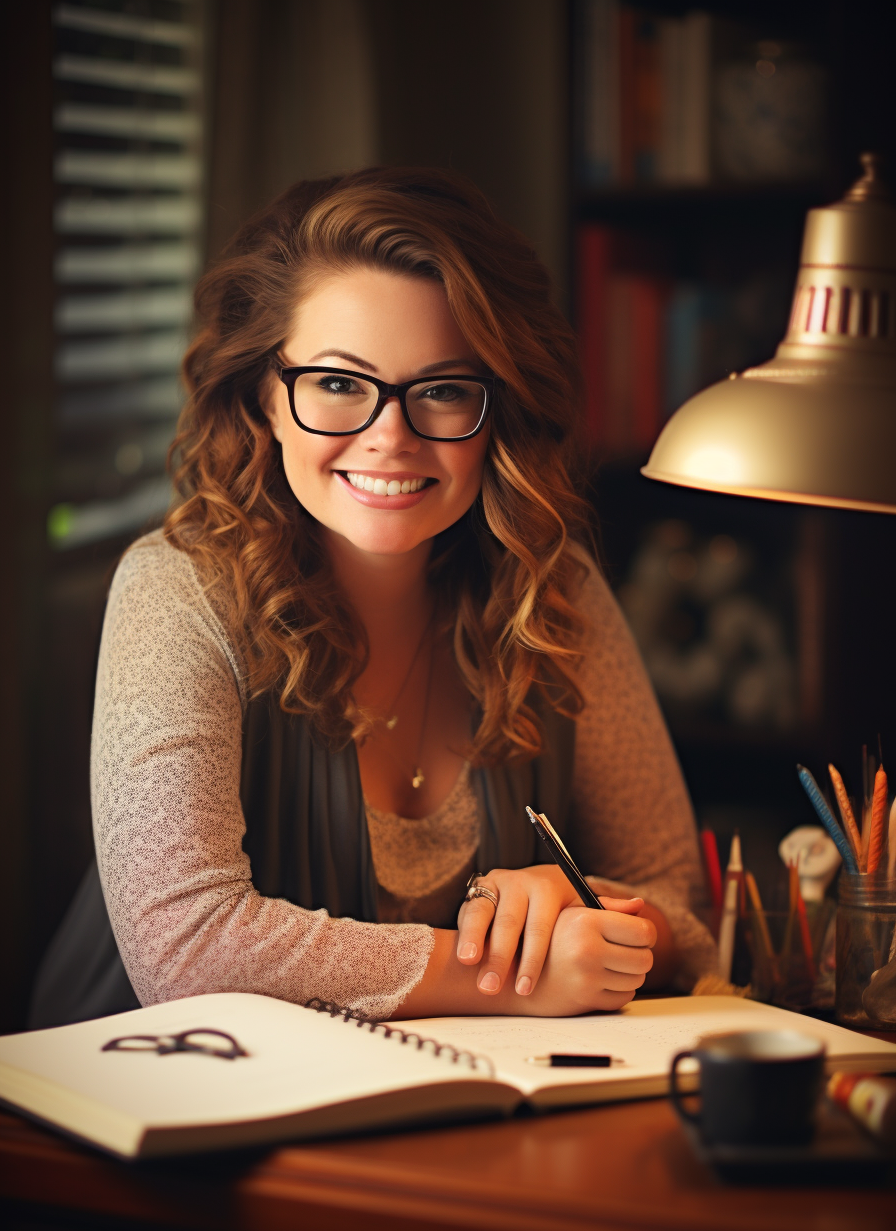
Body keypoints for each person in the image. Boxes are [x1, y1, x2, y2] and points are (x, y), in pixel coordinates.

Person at [32, 167, 716, 1029]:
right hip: (125, 1117)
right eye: (339, 384)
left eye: (442, 390)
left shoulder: (554, 584)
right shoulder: (176, 588)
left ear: (495, 411)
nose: (389, 438)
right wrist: (510, 975)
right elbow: (187, 944)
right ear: (263, 398)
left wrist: (591, 912)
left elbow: (681, 906)